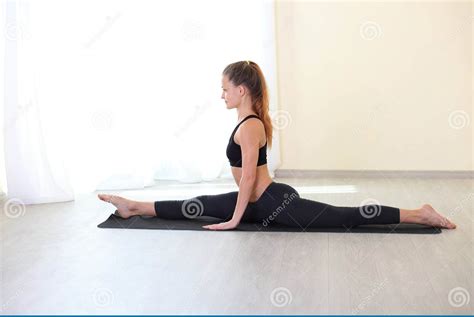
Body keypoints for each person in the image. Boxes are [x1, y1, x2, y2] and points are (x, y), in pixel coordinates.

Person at [98, 60, 457, 230]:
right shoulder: (244, 122)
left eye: (225, 88)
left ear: (241, 91)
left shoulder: (250, 127)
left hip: (271, 200)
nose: (221, 94)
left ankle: (417, 213)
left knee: (340, 218)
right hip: (259, 201)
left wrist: (234, 220)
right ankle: (133, 206)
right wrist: (237, 212)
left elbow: (250, 180)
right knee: (200, 205)